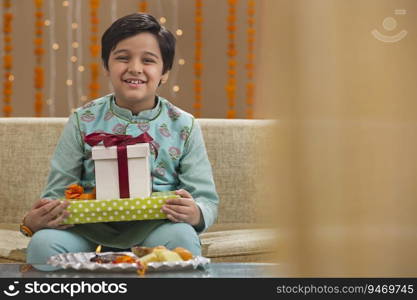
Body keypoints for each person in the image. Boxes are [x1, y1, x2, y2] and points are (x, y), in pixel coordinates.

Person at [22, 13, 219, 271]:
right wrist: (34, 221)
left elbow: (205, 198)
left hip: (156, 231)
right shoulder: (83, 120)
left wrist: (196, 213)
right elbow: (58, 192)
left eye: (148, 60)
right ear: (106, 65)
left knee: (182, 238)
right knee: (43, 244)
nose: (135, 68)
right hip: (86, 232)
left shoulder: (184, 125)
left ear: (165, 73)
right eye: (123, 58)